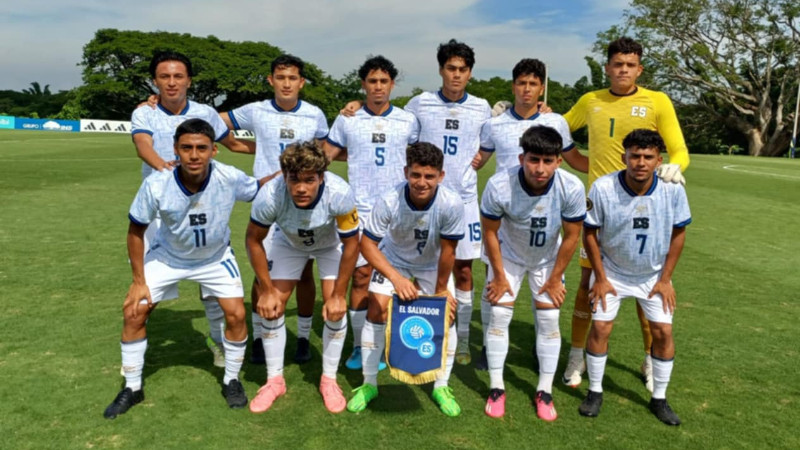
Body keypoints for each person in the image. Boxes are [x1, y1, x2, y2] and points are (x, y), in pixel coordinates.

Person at [104, 118, 264, 419]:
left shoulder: (228, 177)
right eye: (186, 148)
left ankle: (231, 379)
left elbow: (259, 189)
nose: (194, 155)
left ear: (213, 151)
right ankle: (133, 386)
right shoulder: (156, 183)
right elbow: (135, 231)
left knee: (237, 314)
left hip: (215, 259)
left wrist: (291, 170)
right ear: (176, 150)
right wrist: (138, 280)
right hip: (168, 257)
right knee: (134, 311)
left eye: (201, 148)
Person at [559, 37, 691, 392]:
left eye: (630, 65)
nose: (623, 70)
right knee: (588, 287)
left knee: (645, 290)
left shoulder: (657, 101)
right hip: (601, 209)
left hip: (643, 207)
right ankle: (576, 357)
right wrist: (581, 164)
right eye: (617, 64)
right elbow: (560, 129)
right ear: (607, 67)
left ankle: (650, 358)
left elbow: (679, 150)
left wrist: (674, 168)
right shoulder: (591, 101)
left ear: (639, 69)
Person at [131, 51, 253, 369]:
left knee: (212, 284)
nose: (172, 83)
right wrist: (165, 169)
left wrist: (278, 146)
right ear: (155, 80)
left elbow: (233, 144)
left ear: (188, 80)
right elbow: (143, 145)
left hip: (205, 202)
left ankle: (216, 341)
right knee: (146, 290)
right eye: (164, 77)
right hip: (163, 208)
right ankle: (135, 353)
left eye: (178, 76)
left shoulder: (205, 112)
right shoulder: (145, 112)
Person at [221, 54, 330, 365]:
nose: (286, 83)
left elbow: (323, 153)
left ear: (301, 82)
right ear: (271, 80)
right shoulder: (255, 110)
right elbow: (215, 121)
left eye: (292, 78)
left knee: (305, 272)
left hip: (303, 202)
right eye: (280, 78)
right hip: (268, 202)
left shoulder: (314, 115)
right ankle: (258, 337)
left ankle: (304, 339)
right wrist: (233, 144)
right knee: (262, 275)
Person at [578, 129, 690, 426]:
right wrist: (600, 277)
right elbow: (590, 232)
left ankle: (660, 398)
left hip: (652, 275)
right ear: (623, 157)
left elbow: (679, 233)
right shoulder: (603, 188)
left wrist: (665, 279)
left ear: (659, 160)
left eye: (648, 157)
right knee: (601, 327)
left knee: (663, 333)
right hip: (611, 271)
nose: (640, 162)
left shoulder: (672, 188)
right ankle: (595, 391)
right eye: (635, 156)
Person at [346, 142, 464, 416]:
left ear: (441, 176)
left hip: (432, 263)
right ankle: (369, 384)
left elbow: (448, 251)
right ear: (405, 172)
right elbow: (368, 245)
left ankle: (440, 386)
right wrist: (397, 279)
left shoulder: (451, 203)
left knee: (446, 316)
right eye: (415, 175)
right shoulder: (389, 200)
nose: (421, 182)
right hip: (395, 259)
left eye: (429, 176)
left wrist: (441, 292)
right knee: (376, 309)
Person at [472, 58, 574, 368]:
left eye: (533, 83)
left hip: (542, 213)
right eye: (521, 83)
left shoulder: (555, 121)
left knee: (541, 289)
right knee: (495, 284)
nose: (527, 89)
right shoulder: (494, 123)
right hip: (503, 216)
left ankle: (538, 345)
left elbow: (572, 160)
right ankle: (491, 346)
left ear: (542, 87)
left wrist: (616, 173)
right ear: (513, 86)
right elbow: (476, 159)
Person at [245, 141, 359, 413]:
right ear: (284, 176)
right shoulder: (270, 195)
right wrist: (267, 288)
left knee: (335, 310)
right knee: (271, 307)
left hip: (330, 245)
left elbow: (352, 245)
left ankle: (328, 379)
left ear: (322, 177)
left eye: (310, 180)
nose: (301, 188)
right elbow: (253, 240)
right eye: (294, 179)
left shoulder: (340, 193)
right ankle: (275, 380)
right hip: (288, 243)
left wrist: (338, 295)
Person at [480, 126, 585, 421]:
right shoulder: (500, 185)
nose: (540, 168)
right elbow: (489, 232)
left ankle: (544, 390)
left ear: (559, 162)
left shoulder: (572, 187)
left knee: (549, 319)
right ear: (521, 158)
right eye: (533, 160)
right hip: (509, 257)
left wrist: (555, 277)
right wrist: (498, 275)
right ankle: (497, 387)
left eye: (548, 161)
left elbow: (572, 235)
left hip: (546, 261)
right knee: (499, 315)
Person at [323, 55, 419, 370]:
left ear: (392, 85)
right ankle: (358, 346)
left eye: (384, 81)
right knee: (361, 275)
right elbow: (325, 157)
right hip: (360, 209)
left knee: (401, 276)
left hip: (399, 209)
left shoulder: (407, 120)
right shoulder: (347, 118)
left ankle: (394, 340)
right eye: (372, 81)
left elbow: (418, 161)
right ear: (363, 85)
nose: (378, 87)